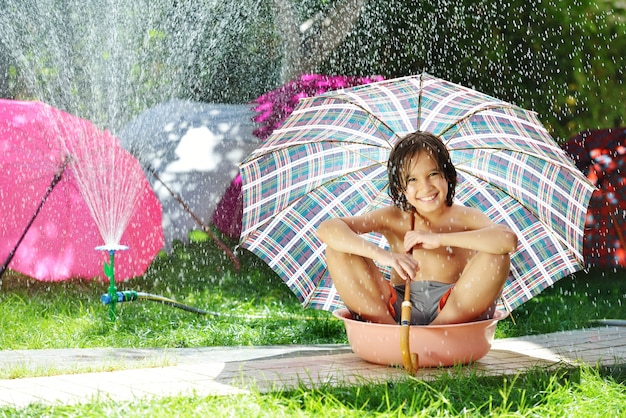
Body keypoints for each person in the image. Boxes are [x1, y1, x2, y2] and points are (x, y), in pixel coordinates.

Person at [316, 131, 518, 325]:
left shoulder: (465, 216)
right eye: (412, 179)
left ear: (448, 175)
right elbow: (328, 229)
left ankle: (438, 332)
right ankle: (388, 331)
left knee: (497, 255)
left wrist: (440, 239)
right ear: (400, 187)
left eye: (433, 173)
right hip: (397, 306)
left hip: (453, 308)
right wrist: (385, 257)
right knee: (337, 248)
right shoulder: (393, 217)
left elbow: (507, 240)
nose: (425, 187)